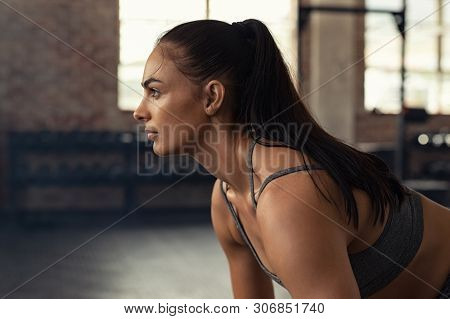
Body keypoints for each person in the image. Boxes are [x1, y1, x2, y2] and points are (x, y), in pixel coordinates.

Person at [133, 19, 450, 299]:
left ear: (211, 97)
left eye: (155, 92)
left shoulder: (288, 194)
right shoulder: (226, 201)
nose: (139, 111)